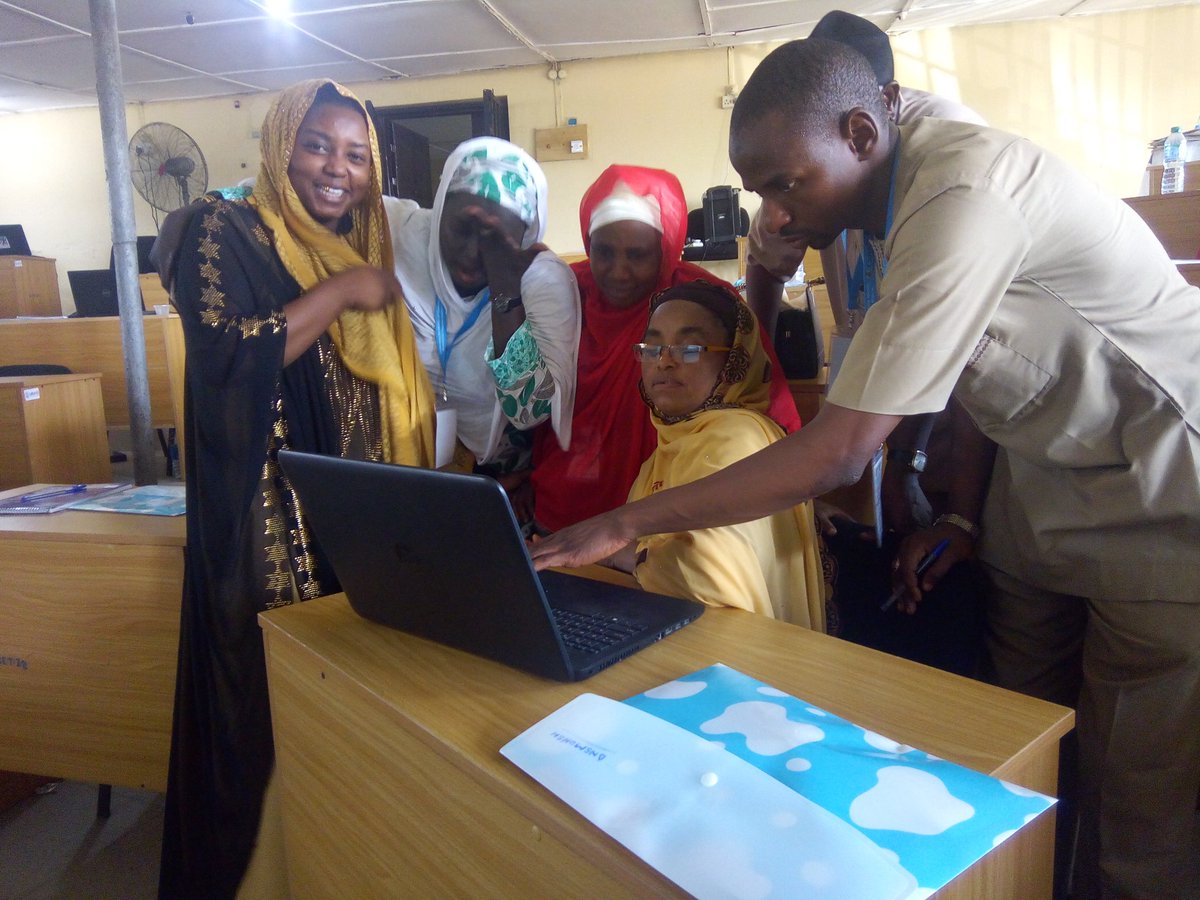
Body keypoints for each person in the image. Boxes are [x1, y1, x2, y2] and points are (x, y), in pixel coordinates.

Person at [531, 38, 1200, 899]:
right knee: (1014, 742)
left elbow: (840, 448)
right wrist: (770, 269)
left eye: (784, 185)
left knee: (1139, 779)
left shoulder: (960, 196)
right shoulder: (864, 177)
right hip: (1041, 481)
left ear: (858, 130)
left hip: (1159, 480)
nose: (774, 209)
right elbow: (979, 373)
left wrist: (621, 522)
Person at [160, 79, 436, 898]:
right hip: (263, 512)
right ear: (282, 144)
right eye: (318, 144)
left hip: (342, 512)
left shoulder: (357, 240)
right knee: (260, 690)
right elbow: (224, 355)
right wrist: (342, 294)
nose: (336, 169)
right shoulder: (223, 226)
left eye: (357, 155)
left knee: (338, 697)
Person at [745, 9, 988, 536]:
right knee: (869, 518)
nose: (778, 209)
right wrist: (760, 374)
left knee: (942, 515)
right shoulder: (797, 156)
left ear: (883, 107)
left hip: (951, 369)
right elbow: (764, 260)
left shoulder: (956, 155)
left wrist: (911, 463)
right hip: (864, 343)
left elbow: (957, 354)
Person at [530, 164, 801, 533]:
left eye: (638, 255)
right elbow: (529, 394)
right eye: (604, 252)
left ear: (665, 248)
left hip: (665, 523)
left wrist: (798, 490)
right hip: (563, 508)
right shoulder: (563, 295)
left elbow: (765, 400)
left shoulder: (704, 302)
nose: (618, 271)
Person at [610, 280, 826, 628]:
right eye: (651, 348)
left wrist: (621, 554)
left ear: (734, 358)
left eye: (690, 348)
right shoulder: (674, 441)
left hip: (736, 656)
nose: (664, 361)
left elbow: (706, 580)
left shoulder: (734, 438)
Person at [385, 138, 579, 478]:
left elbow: (527, 411)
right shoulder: (402, 234)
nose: (473, 252)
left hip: (497, 465)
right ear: (440, 211)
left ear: (525, 235)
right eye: (461, 229)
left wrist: (506, 291)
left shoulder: (541, 280)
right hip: (398, 448)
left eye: (495, 238)